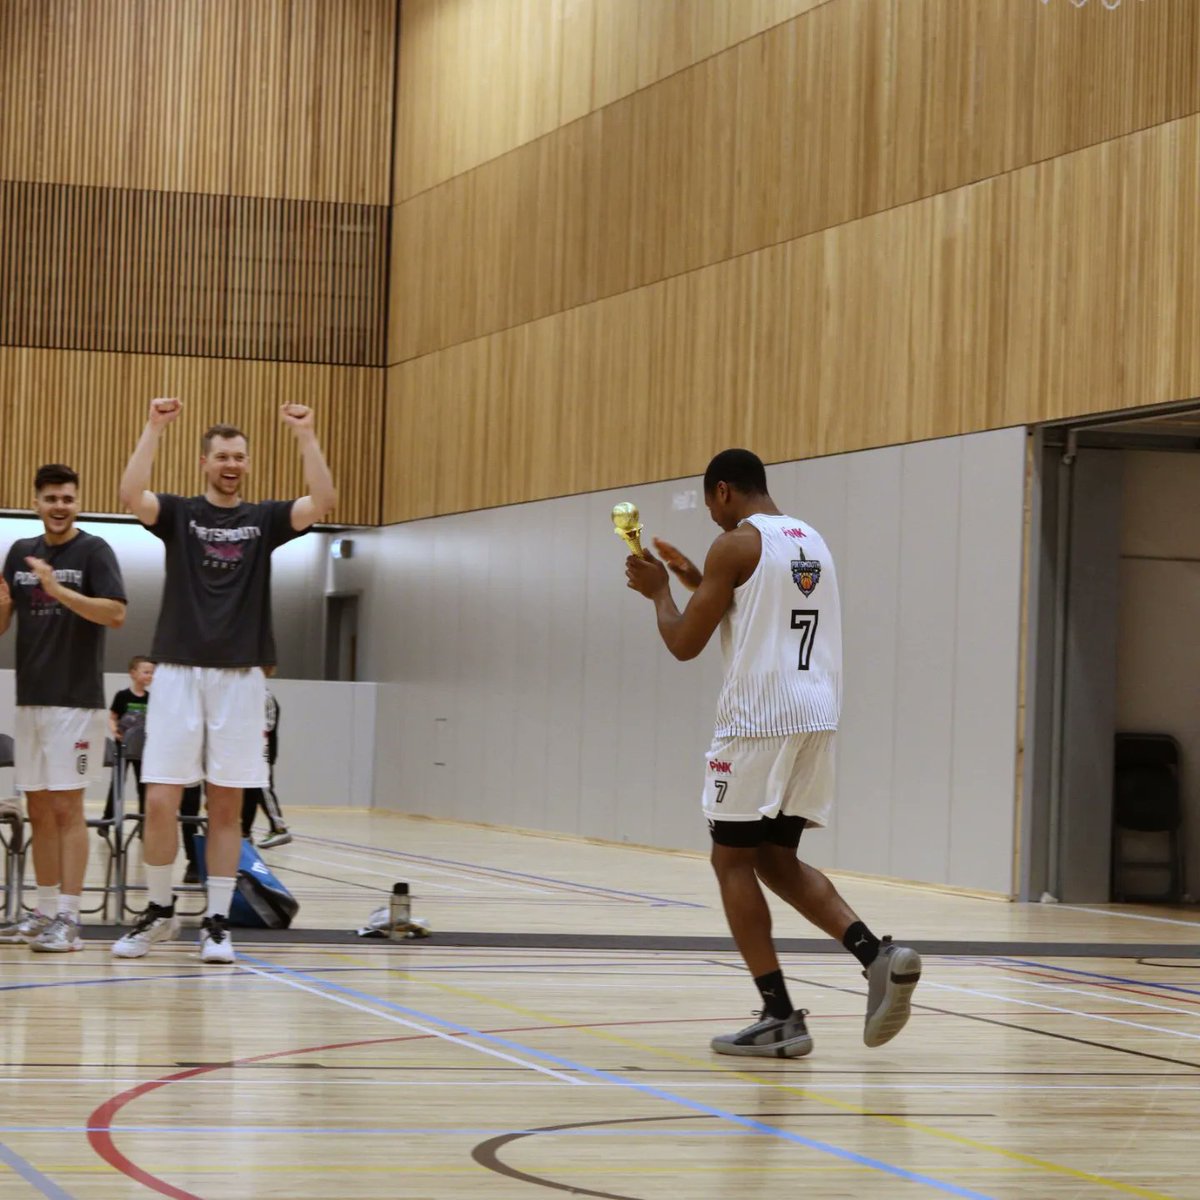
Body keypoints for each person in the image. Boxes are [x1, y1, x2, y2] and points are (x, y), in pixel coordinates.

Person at [624, 448, 921, 1058]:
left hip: (757, 722)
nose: (712, 517)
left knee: (730, 863)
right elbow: (759, 607)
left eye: (710, 504)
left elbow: (684, 642)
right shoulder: (810, 539)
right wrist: (690, 577)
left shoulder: (733, 544)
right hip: (816, 717)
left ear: (725, 491)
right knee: (775, 861)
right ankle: (877, 955)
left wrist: (658, 593)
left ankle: (780, 1015)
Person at [111, 398, 336, 963]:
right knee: (161, 799)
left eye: (240, 457)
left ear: (247, 464)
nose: (231, 464)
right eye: (222, 456)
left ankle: (215, 921)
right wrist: (152, 426)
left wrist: (307, 437)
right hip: (179, 673)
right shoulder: (181, 515)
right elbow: (130, 495)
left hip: (240, 677)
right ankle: (160, 913)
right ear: (205, 463)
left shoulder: (263, 521)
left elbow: (325, 501)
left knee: (227, 805)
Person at [0, 464, 127, 952]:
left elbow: (116, 614)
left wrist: (59, 591)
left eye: (67, 498)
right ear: (36, 502)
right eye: (51, 498)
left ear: (78, 502)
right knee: (37, 807)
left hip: (76, 700)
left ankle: (70, 920)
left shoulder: (95, 551)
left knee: (67, 807)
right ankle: (44, 911)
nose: (59, 506)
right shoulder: (18, 552)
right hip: (30, 698)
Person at [102, 655, 154, 827]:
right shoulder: (122, 696)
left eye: (151, 673)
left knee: (143, 788)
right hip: (123, 747)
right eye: (146, 672)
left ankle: (143, 825)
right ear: (133, 673)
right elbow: (112, 717)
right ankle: (107, 821)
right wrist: (115, 731)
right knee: (117, 784)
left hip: (143, 750)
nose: (149, 676)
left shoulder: (151, 698)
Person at [242, 676, 291, 848]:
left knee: (263, 788)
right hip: (249, 751)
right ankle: (244, 833)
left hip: (262, 751)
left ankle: (279, 828)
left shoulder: (264, 697)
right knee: (249, 793)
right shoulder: (248, 697)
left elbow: (267, 725)